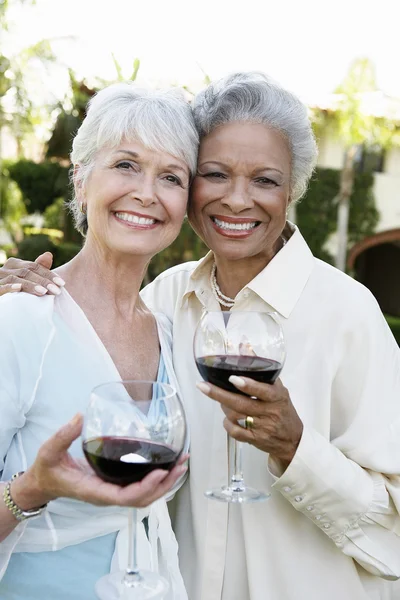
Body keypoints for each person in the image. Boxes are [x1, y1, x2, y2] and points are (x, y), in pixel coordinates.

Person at [2, 72, 400, 600]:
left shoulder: (347, 314)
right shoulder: (167, 301)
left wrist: (297, 449)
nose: (238, 201)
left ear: (293, 190)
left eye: (265, 180)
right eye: (214, 174)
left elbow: (392, 520)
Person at [0, 81, 199, 600]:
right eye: (126, 165)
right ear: (81, 180)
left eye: (171, 177)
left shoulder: (170, 332)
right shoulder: (21, 320)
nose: (147, 193)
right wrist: (33, 489)